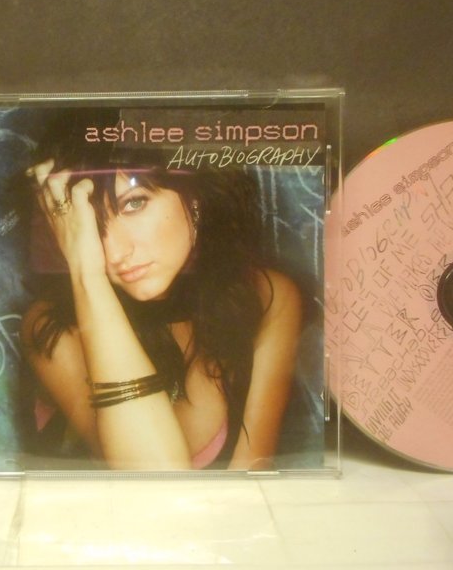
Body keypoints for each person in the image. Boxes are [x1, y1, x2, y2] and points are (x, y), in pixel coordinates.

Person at [19, 112, 304, 471]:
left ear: (195, 196)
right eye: (90, 226)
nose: (116, 252)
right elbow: (155, 479)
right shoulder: (50, 329)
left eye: (133, 204)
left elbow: (250, 481)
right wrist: (87, 274)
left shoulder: (264, 297)